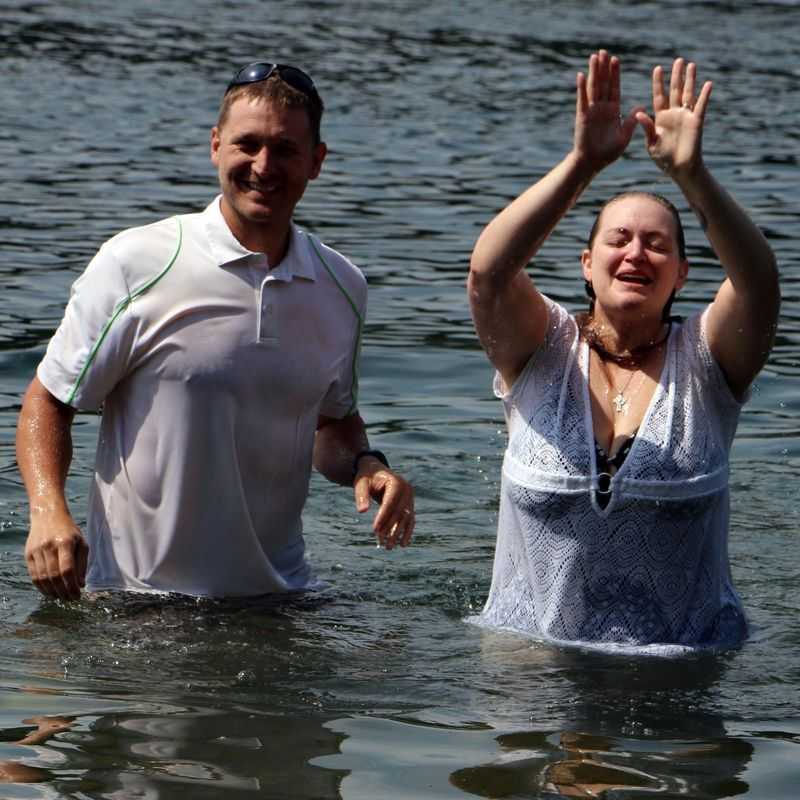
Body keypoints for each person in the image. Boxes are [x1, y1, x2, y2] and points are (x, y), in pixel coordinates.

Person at [16, 62, 415, 602]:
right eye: (246, 144)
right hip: (139, 603)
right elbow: (49, 399)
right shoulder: (137, 261)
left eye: (285, 149)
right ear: (215, 146)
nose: (263, 166)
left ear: (316, 161)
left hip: (282, 604)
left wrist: (368, 466)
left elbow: (332, 423)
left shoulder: (341, 285)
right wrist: (48, 513)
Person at [467, 51, 779, 650]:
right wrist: (582, 163)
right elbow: (489, 273)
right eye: (619, 239)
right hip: (533, 679)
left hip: (685, 688)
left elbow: (760, 286)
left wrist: (692, 177)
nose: (636, 253)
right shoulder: (542, 348)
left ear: (683, 273)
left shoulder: (709, 362)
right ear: (588, 264)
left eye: (656, 244)